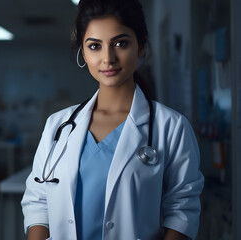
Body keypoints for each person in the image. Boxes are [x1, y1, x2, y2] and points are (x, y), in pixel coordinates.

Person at [21, 0, 204, 239]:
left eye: (120, 43)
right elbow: (37, 199)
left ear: (141, 46)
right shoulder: (58, 125)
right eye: (95, 46)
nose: (108, 58)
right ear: (83, 53)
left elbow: (182, 208)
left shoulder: (171, 127)